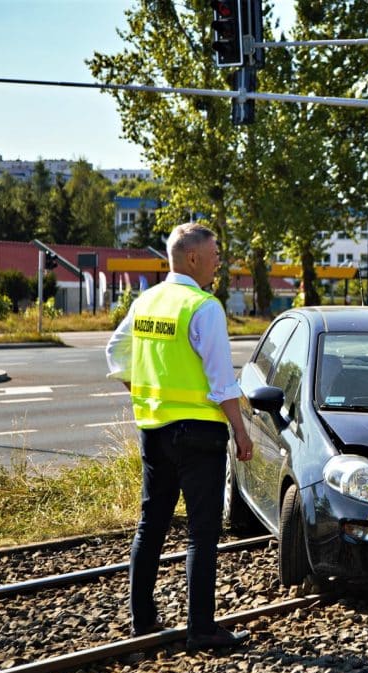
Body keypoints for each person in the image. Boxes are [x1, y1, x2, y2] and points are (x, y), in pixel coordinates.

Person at [105, 223, 253, 651]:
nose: (220, 259)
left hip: (154, 430)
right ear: (192, 258)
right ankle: (202, 628)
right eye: (215, 252)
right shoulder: (203, 307)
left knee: (151, 523)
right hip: (200, 434)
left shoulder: (146, 301)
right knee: (202, 533)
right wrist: (240, 431)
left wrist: (140, 390)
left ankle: (142, 620)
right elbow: (222, 380)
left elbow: (115, 352)